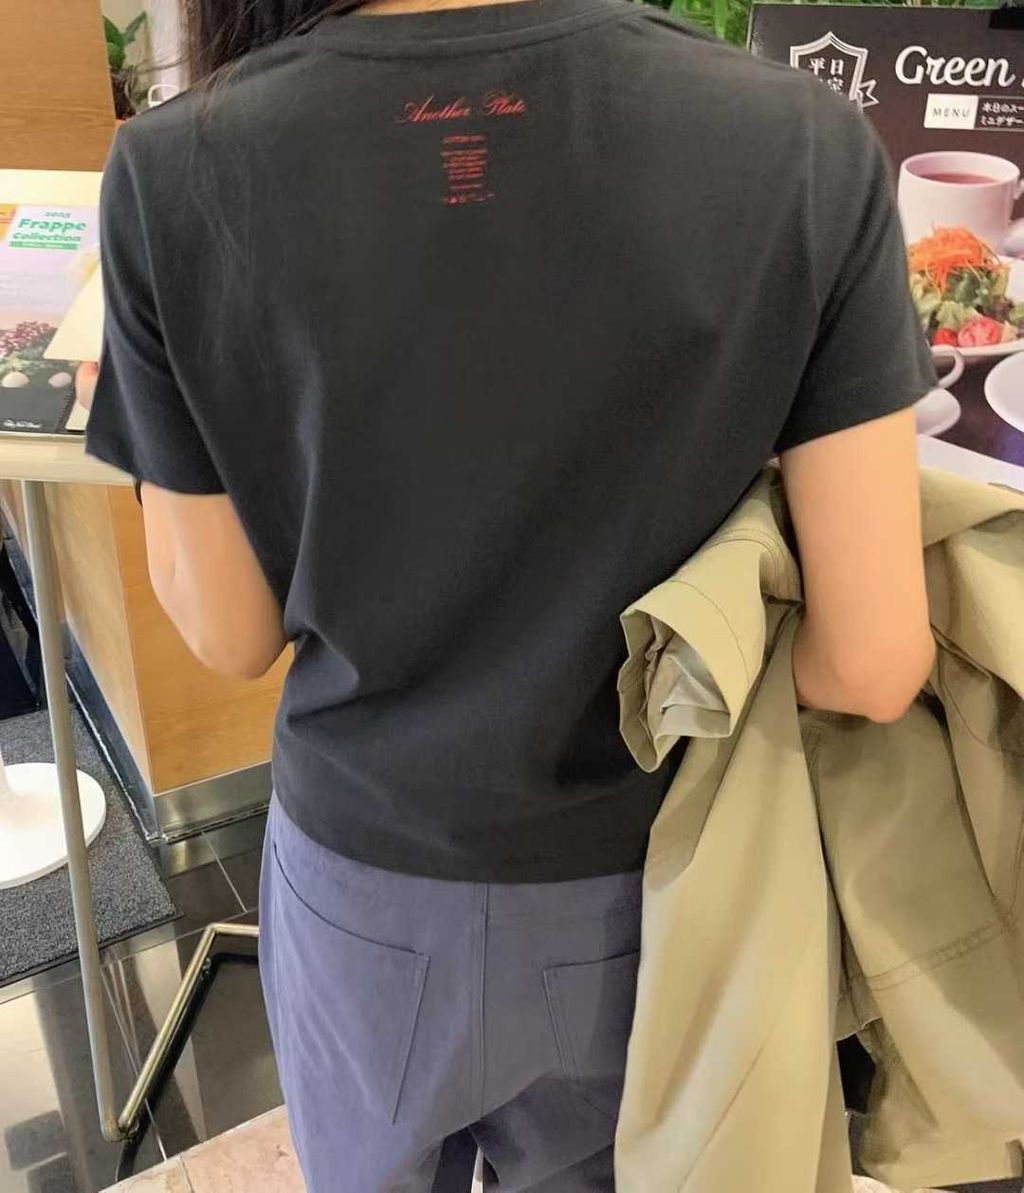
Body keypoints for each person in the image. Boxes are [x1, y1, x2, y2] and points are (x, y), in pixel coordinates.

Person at [81, 0, 937, 1187]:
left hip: (365, 874)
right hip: (657, 883)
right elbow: (873, 659)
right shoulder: (803, 141)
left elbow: (230, 633)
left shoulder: (173, 168)